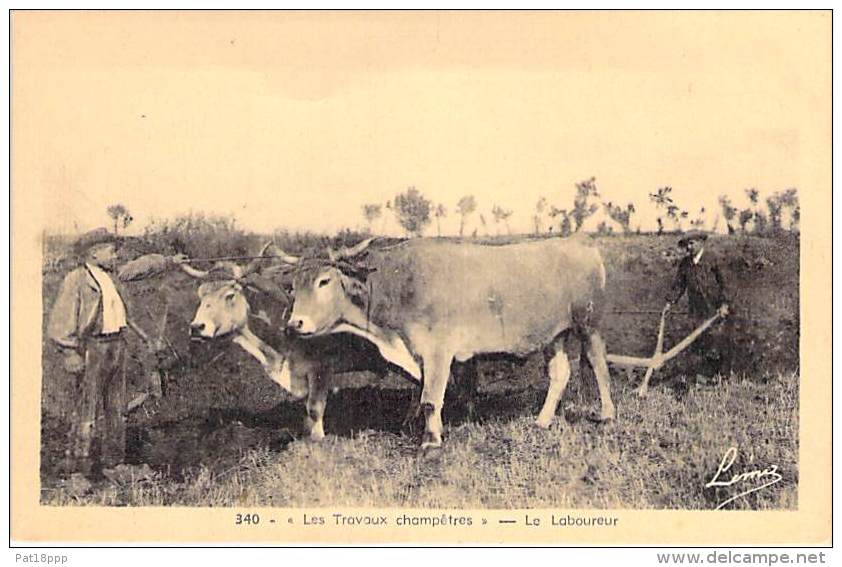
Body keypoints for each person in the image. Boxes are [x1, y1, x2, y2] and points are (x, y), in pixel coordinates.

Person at [47, 228, 189, 478]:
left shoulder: (112, 277)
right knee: (86, 408)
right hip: (92, 348)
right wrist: (69, 351)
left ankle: (114, 464)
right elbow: (61, 319)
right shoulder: (77, 280)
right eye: (111, 251)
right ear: (94, 253)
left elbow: (141, 266)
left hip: (116, 346)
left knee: (116, 408)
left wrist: (168, 261)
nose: (116, 256)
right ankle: (78, 471)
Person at [664, 230, 733, 381]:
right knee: (698, 343)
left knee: (717, 341)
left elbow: (726, 283)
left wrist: (725, 304)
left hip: (715, 309)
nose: (688, 247)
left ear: (701, 243)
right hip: (696, 310)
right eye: (686, 245)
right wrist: (670, 302)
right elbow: (679, 285)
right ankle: (702, 377)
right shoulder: (685, 264)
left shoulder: (713, 259)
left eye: (691, 243)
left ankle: (722, 377)